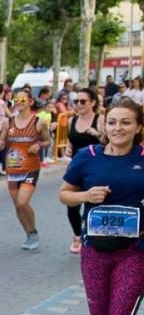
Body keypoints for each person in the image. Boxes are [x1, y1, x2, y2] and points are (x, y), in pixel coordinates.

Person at [59, 98, 144, 315]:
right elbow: (64, 193)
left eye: (125, 122)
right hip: (95, 250)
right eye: (112, 122)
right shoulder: (87, 157)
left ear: (137, 127)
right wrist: (85, 196)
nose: (118, 129)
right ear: (104, 125)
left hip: (135, 251)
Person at [0, 89, 51, 250]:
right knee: (17, 205)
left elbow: (48, 141)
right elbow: (1, 140)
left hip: (30, 168)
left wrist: (38, 145)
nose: (19, 102)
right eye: (16, 99)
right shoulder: (8, 122)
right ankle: (29, 234)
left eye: (22, 100)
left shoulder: (38, 122)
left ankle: (33, 231)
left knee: (22, 201)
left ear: (30, 102)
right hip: (12, 168)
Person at [64, 88, 103, 254]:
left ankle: (94, 236)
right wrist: (67, 147)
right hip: (76, 167)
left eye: (83, 101)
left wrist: (97, 134)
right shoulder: (72, 120)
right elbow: (71, 139)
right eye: (76, 101)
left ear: (93, 102)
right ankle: (77, 235)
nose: (78, 104)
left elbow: (109, 142)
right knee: (72, 205)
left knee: (95, 203)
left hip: (96, 167)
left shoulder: (100, 119)